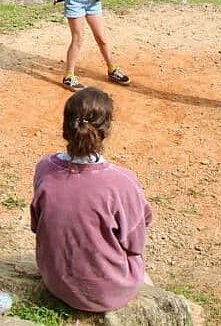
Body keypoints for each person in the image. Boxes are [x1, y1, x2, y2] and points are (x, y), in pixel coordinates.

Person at [30, 88, 153, 313]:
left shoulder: (45, 168)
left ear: (66, 126)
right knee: (139, 264)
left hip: (56, 282)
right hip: (109, 293)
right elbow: (135, 244)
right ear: (106, 129)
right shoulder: (122, 182)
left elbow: (37, 226)